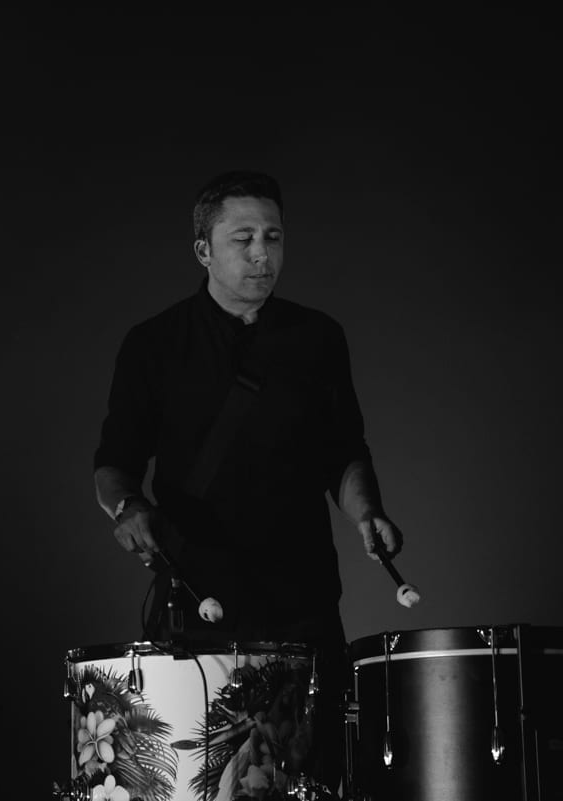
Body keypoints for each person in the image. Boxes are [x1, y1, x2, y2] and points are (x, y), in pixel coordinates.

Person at [92, 170, 402, 790]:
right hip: (199, 602)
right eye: (244, 239)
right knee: (203, 786)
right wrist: (128, 508)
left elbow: (344, 453)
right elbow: (114, 464)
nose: (263, 253)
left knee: (314, 779)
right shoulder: (154, 344)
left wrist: (367, 513)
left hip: (303, 600)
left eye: (274, 237)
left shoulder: (319, 338)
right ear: (203, 249)